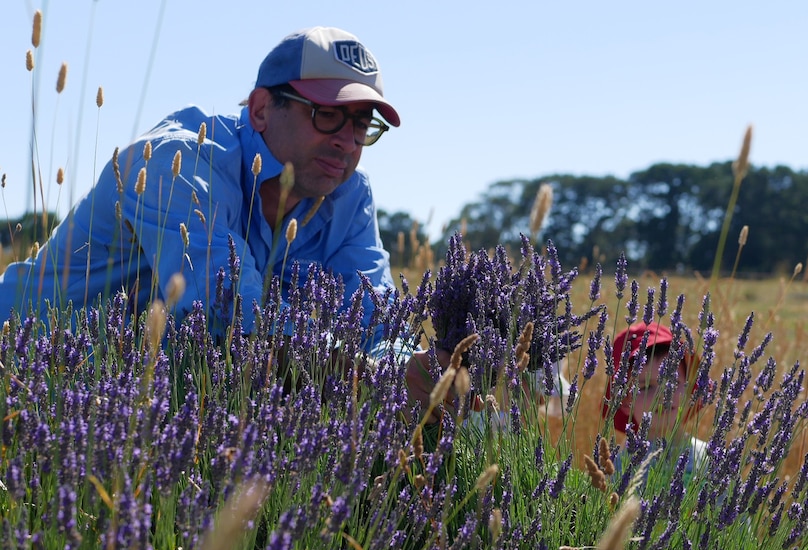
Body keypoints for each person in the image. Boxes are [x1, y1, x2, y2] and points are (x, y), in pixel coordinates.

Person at [0, 26, 466, 417]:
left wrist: (430, 372)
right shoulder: (177, 163)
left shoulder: (347, 194)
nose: (347, 141)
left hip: (139, 399)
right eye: (327, 115)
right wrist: (378, 376)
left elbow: (376, 324)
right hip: (25, 369)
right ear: (261, 109)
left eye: (361, 124)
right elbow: (227, 319)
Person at [603, 321, 707, 485]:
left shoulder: (709, 459)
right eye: (646, 387)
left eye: (672, 382)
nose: (662, 395)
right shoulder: (615, 468)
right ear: (624, 401)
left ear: (689, 391)